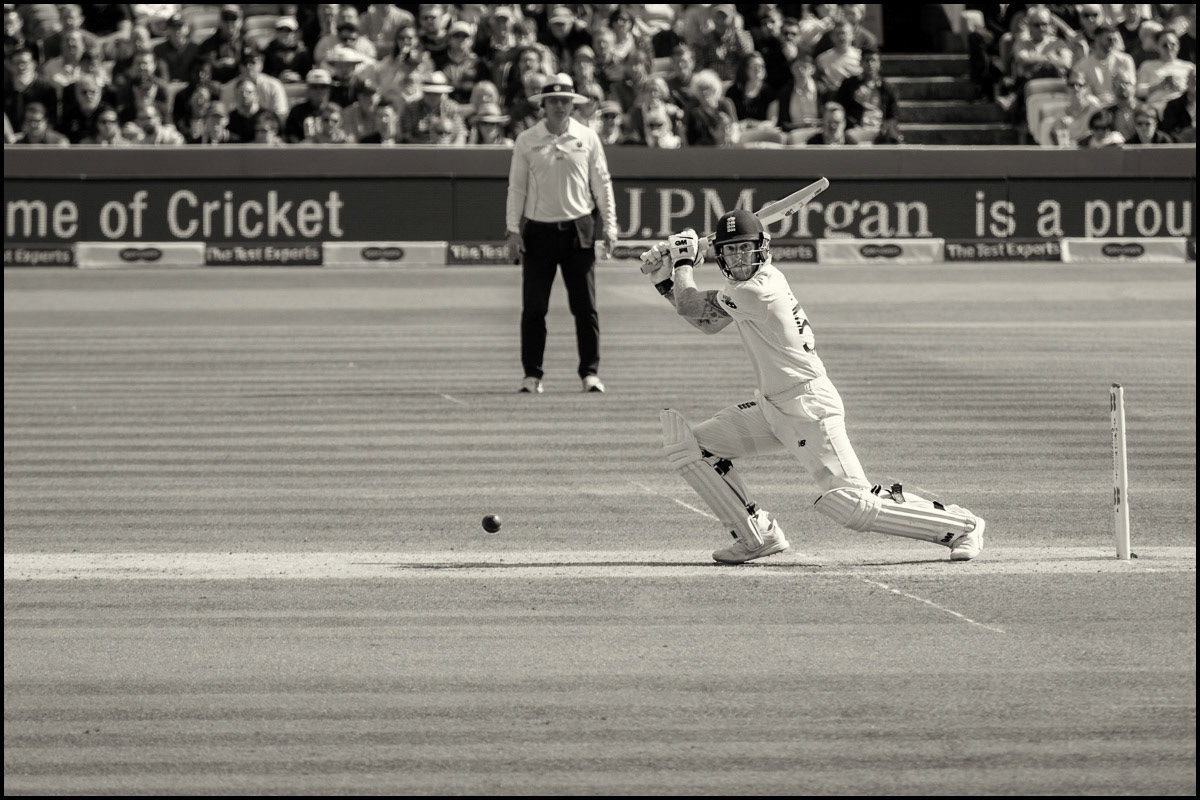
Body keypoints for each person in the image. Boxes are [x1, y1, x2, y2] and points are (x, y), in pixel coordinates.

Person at [639, 211, 986, 564]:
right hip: (772, 409)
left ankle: (962, 526)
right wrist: (666, 280)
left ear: (763, 249)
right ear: (722, 257)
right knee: (692, 447)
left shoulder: (760, 290)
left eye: (745, 249)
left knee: (853, 504)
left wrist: (682, 260)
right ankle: (757, 537)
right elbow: (707, 323)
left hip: (808, 408)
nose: (739, 259)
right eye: (730, 251)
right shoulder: (743, 290)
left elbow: (690, 303)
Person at [505, 73, 618, 395]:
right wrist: (514, 230)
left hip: (578, 230)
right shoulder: (527, 139)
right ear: (543, 104)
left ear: (573, 104)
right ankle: (532, 375)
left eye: (564, 101)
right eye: (553, 100)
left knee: (585, 308)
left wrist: (610, 226)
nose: (559, 106)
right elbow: (516, 187)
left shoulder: (587, 136)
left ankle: (590, 374)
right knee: (534, 308)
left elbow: (602, 183)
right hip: (538, 231)